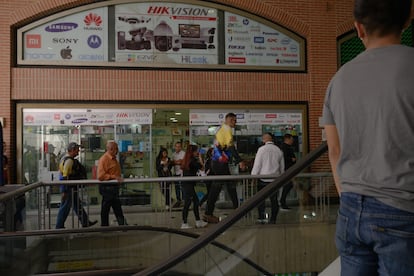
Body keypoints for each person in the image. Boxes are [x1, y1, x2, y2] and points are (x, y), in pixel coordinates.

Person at [322, 0, 414, 274]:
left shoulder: (338, 80)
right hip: (402, 209)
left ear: (358, 28)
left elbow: (334, 150)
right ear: (408, 20)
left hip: (350, 209)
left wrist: (349, 196)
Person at [203, 112, 244, 223]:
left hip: (219, 162)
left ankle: (236, 208)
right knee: (217, 187)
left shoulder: (223, 129)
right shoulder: (226, 130)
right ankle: (208, 213)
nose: (234, 122)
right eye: (233, 120)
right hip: (219, 163)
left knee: (228, 185)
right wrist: (240, 161)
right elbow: (231, 148)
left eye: (235, 121)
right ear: (227, 120)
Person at [56, 142, 97, 229]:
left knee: (78, 206)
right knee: (65, 208)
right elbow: (64, 176)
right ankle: (59, 226)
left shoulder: (65, 159)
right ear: (72, 150)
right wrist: (64, 191)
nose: (78, 152)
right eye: (77, 150)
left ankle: (85, 222)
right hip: (68, 189)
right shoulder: (69, 161)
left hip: (71, 188)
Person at [251, 133, 284, 224]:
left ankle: (261, 218)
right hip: (275, 179)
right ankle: (273, 219)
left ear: (264, 139)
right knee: (274, 201)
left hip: (263, 179)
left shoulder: (261, 150)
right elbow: (282, 167)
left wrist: (253, 177)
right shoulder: (279, 150)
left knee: (261, 200)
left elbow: (257, 165)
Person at [98, 141, 126, 226]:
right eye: (116, 149)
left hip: (114, 187)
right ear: (111, 149)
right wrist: (114, 177)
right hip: (107, 188)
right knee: (106, 208)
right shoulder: (104, 159)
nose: (117, 151)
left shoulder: (114, 159)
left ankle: (122, 224)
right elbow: (101, 176)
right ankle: (105, 226)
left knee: (117, 207)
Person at [180, 144, 208, 229]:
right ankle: (184, 223)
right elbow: (202, 168)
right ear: (192, 152)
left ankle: (198, 221)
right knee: (188, 203)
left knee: (195, 202)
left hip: (187, 184)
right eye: (196, 151)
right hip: (189, 185)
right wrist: (200, 158)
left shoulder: (187, 160)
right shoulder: (192, 161)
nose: (197, 153)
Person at [278, 133, 297, 210]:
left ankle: (282, 201)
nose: (292, 141)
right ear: (287, 139)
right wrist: (292, 159)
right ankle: (282, 202)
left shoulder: (286, 147)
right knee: (288, 185)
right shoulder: (284, 148)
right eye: (291, 139)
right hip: (287, 169)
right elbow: (284, 158)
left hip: (288, 169)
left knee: (289, 185)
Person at [172, 141, 185, 208]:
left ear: (181, 147)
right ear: (175, 147)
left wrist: (177, 162)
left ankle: (183, 200)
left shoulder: (183, 153)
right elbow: (173, 163)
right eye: (176, 146)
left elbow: (182, 162)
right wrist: (177, 162)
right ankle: (178, 200)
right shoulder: (173, 154)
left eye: (179, 146)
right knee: (176, 188)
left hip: (181, 173)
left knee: (182, 187)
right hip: (175, 173)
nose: (178, 148)